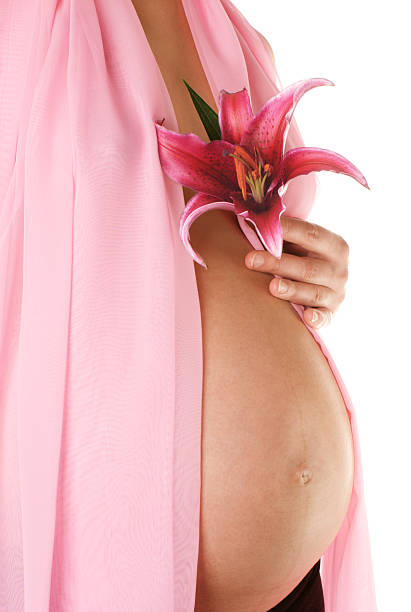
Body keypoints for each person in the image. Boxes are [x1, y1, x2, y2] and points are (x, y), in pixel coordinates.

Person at [0, 1, 377, 610]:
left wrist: (317, 275)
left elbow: (229, 249)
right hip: (115, 564)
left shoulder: (232, 34)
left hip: (300, 586)